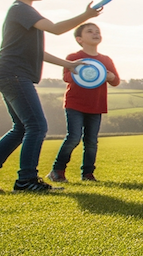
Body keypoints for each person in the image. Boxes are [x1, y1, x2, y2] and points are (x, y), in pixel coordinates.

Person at [0, 0, 101, 192]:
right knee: (36, 125)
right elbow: (55, 29)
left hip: (10, 74)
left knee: (21, 128)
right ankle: (26, 181)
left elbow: (36, 51)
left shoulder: (23, 13)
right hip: (15, 75)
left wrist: (67, 64)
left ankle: (25, 179)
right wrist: (87, 15)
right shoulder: (21, 9)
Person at [47, 23, 120, 182]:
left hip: (96, 105)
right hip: (75, 104)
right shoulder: (73, 57)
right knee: (74, 137)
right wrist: (84, 73)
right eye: (90, 31)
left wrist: (109, 76)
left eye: (97, 31)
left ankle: (87, 174)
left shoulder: (105, 60)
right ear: (79, 39)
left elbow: (116, 81)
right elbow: (66, 77)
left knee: (91, 141)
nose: (95, 34)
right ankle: (57, 171)